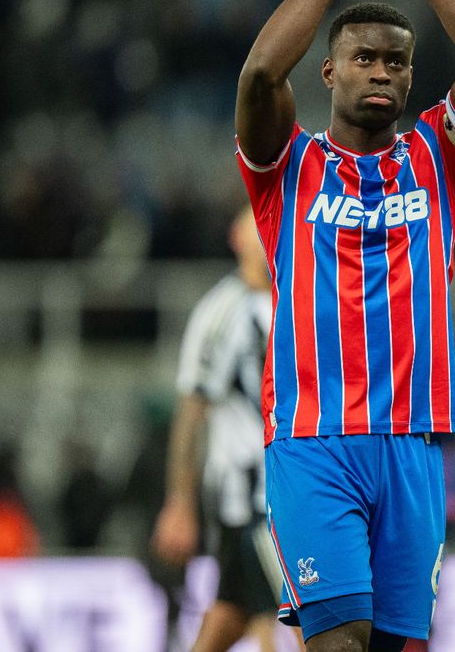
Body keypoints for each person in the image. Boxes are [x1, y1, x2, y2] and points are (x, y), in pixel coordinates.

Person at [234, 0, 455, 652]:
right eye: (364, 59)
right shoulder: (286, 167)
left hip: (414, 444)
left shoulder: (438, 157)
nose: (382, 72)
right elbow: (259, 74)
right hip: (312, 441)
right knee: (340, 641)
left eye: (397, 62)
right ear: (328, 72)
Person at [153, 208, 301, 652]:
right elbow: (191, 411)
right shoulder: (221, 311)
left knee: (229, 616)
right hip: (252, 496)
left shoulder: (296, 296)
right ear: (236, 238)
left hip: (287, 490)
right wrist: (180, 502)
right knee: (298, 618)